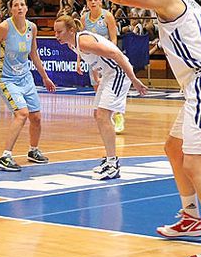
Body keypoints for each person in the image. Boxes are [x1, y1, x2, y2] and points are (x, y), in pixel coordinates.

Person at [44, 0, 201, 257]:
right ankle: (191, 218)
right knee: (173, 148)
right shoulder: (190, 5)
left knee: (195, 163)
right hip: (200, 85)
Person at [54, 15, 148, 179]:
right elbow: (95, 59)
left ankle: (113, 163)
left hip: (119, 72)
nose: (56, 36)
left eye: (59, 32)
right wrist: (97, 75)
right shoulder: (73, 44)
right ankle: (109, 158)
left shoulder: (83, 41)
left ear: (71, 30)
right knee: (98, 114)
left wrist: (134, 80)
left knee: (103, 115)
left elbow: (116, 54)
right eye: (55, 32)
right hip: (108, 74)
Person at [0, 0, 56, 171]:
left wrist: (45, 77)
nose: (19, 7)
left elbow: (34, 54)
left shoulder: (32, 28)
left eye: (22, 4)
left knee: (36, 117)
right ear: (11, 9)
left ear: (26, 8)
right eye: (15, 5)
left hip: (25, 78)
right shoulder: (3, 28)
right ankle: (5, 156)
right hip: (5, 78)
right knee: (22, 114)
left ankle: (33, 151)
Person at [79, 0, 126, 133]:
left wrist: (110, 54)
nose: (93, 2)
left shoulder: (107, 16)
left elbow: (113, 38)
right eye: (90, 0)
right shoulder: (84, 18)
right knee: (97, 87)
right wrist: (79, 59)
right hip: (92, 58)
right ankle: (107, 118)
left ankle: (118, 116)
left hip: (106, 57)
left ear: (100, 1)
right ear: (87, 3)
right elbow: (81, 40)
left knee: (110, 88)